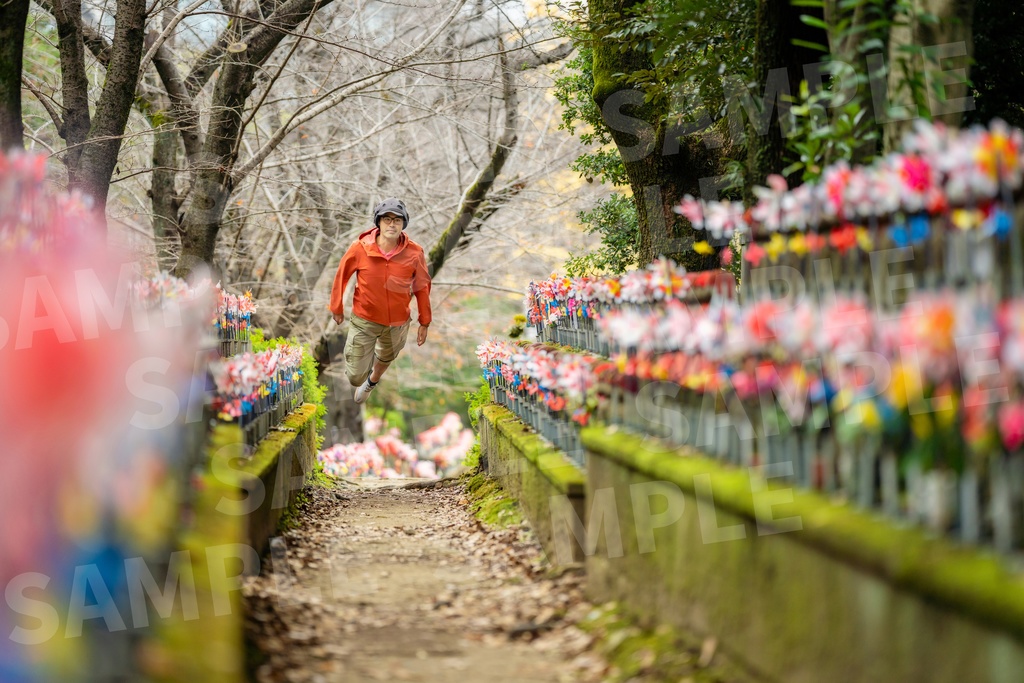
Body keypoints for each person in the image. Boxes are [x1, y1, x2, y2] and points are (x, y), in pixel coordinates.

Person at [329, 198, 432, 404]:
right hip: (365, 319)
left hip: (397, 322)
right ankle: (363, 371)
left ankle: (373, 380)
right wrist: (337, 307)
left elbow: (422, 286)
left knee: (386, 357)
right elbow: (342, 275)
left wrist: (425, 322)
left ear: (403, 224)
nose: (392, 224)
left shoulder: (414, 252)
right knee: (355, 376)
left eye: (397, 220)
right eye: (387, 219)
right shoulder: (360, 248)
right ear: (379, 222)